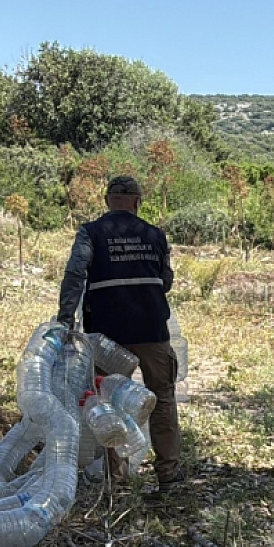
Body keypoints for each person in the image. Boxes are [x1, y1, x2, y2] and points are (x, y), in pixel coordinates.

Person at [57, 175, 183, 486]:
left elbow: (75, 273)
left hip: (106, 335)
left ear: (106, 201)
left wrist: (65, 318)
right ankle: (167, 473)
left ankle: (117, 478)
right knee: (163, 398)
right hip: (152, 329)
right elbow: (165, 282)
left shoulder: (90, 233)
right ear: (138, 202)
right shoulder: (156, 235)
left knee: (111, 403)